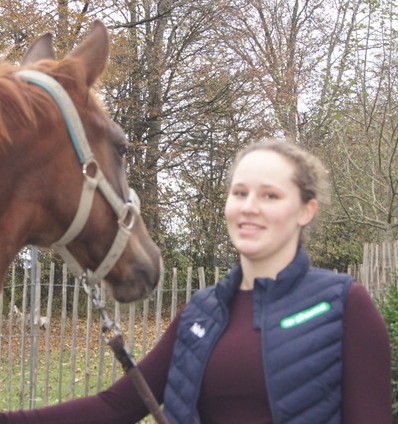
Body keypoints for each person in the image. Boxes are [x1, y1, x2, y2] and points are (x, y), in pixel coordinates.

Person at [0, 139, 392, 423]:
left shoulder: (343, 305)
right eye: (240, 193)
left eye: (270, 196)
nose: (249, 207)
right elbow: (116, 407)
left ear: (306, 210)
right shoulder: (201, 314)